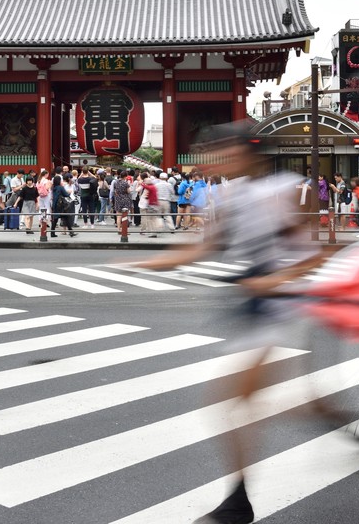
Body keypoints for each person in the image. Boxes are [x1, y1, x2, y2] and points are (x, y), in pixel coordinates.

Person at [128, 126, 325, 524]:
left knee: (229, 402)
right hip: (253, 305)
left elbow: (313, 256)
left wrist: (274, 281)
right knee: (247, 400)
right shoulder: (233, 194)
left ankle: (238, 504)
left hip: (286, 305)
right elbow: (205, 247)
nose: (213, 160)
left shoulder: (285, 189)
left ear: (249, 151)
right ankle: (325, 412)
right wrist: (148, 262)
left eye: (221, 152)